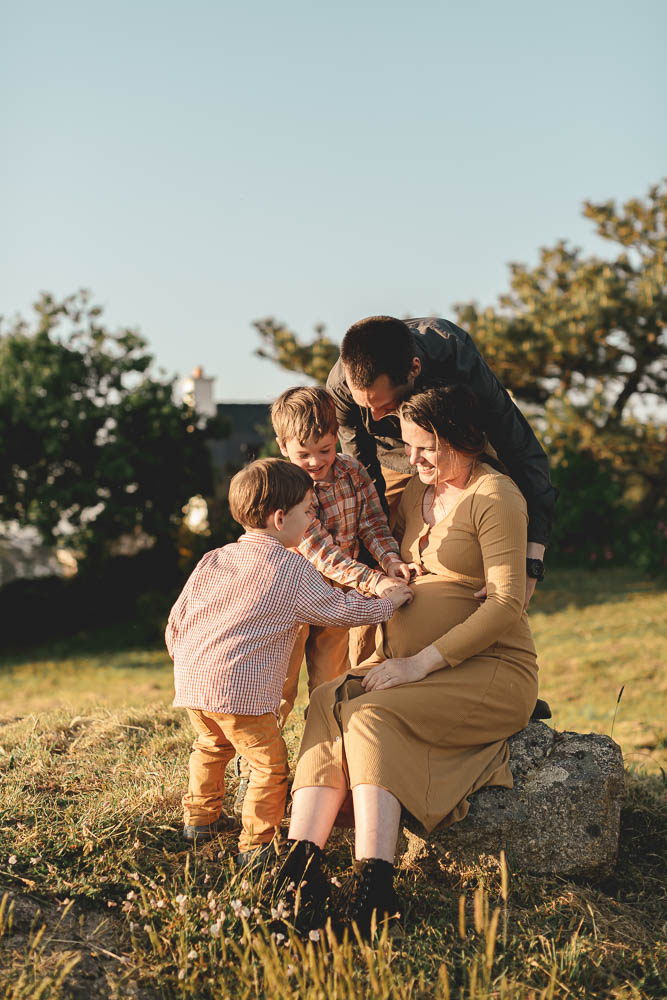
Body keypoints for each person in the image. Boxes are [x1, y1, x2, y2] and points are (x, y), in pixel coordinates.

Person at [269, 385, 539, 937]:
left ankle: (375, 884)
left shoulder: (496, 497)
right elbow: (352, 537)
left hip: (488, 669)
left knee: (371, 715)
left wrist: (419, 664)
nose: (411, 460)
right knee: (328, 698)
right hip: (415, 663)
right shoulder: (418, 493)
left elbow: (508, 603)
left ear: (460, 439)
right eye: (409, 448)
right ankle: (300, 868)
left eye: (424, 449)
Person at [165, 458, 409, 870]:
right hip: (239, 694)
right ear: (282, 518)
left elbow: (176, 621)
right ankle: (256, 846)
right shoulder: (291, 566)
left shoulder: (214, 558)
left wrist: (190, 663)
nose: (313, 520)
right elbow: (338, 609)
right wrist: (388, 603)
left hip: (191, 682)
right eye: (310, 512)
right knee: (269, 766)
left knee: (210, 746)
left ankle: (199, 821)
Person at [326, 315, 557, 607]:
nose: (374, 418)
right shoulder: (341, 387)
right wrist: (381, 564)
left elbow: (520, 450)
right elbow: (363, 481)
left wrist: (531, 565)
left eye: (386, 406)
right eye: (365, 408)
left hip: (458, 447)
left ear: (414, 369)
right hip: (389, 461)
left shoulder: (454, 354)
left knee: (494, 520)